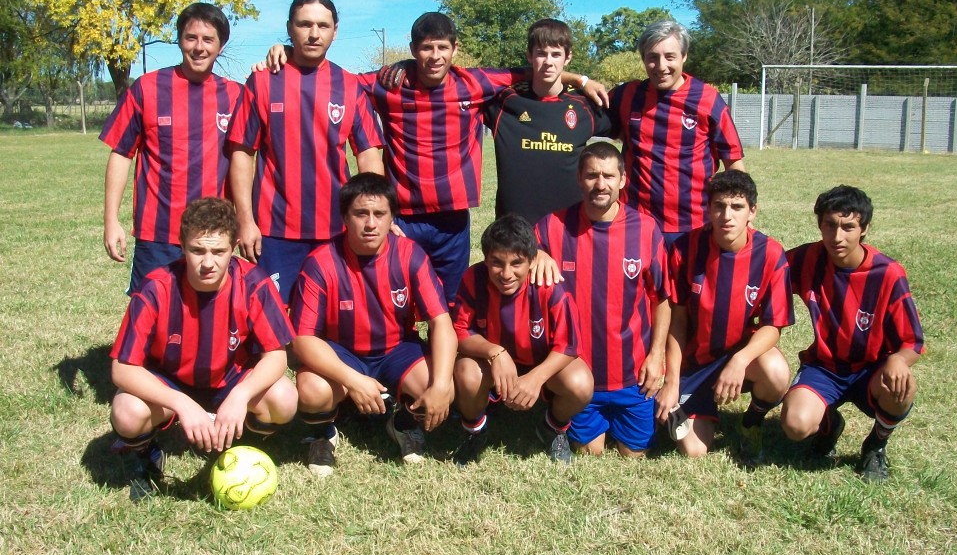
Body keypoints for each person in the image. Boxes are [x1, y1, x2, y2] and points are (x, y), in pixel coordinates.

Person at [263, 11, 604, 301]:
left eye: (443, 47)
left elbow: (536, 68)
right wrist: (287, 52)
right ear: (414, 50)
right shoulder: (390, 83)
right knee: (392, 294)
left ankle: (450, 361)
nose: (435, 56)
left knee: (453, 299)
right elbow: (335, 79)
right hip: (404, 218)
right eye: (426, 48)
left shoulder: (474, 83)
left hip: (452, 219)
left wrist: (580, 79)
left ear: (455, 49)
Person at [108, 197, 297, 500]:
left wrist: (240, 396)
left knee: (284, 399)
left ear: (234, 246)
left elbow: (276, 356)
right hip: (171, 381)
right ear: (181, 246)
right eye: (197, 250)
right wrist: (181, 403)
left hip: (229, 380)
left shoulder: (254, 283)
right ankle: (147, 457)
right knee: (127, 412)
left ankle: (242, 444)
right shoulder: (156, 287)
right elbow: (122, 368)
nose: (208, 262)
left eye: (218, 251)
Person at [289, 173, 456, 474]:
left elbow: (441, 322)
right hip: (343, 351)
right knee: (312, 390)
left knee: (442, 383)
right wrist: (354, 381)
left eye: (379, 214)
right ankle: (324, 433)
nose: (370, 224)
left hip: (396, 349)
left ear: (392, 217)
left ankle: (402, 423)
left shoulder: (411, 255)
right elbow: (302, 339)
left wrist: (442, 384)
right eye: (360, 214)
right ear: (344, 217)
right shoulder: (321, 262)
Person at [227, 0, 385, 300]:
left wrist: (374, 215)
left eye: (323, 26)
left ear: (335, 31)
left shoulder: (349, 85)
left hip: (338, 228)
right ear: (289, 28)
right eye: (305, 24)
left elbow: (368, 155)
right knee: (273, 323)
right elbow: (242, 153)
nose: (314, 34)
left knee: (334, 319)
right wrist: (245, 221)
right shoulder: (262, 81)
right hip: (275, 230)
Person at [780, 186, 924, 483]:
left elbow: (912, 341)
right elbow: (766, 268)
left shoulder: (888, 273)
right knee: (795, 425)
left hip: (871, 369)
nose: (837, 236)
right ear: (819, 224)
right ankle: (829, 424)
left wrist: (899, 360)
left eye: (848, 227)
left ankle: (876, 445)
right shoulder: (808, 258)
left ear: (864, 229)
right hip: (824, 366)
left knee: (903, 386)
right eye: (829, 225)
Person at [535, 142, 670, 456]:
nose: (600, 184)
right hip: (581, 375)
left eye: (609, 176)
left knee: (633, 456)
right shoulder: (553, 225)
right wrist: (536, 254)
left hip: (632, 375)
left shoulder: (646, 229)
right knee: (590, 453)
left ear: (622, 180)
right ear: (579, 177)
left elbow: (661, 298)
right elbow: (520, 250)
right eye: (592, 175)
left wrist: (656, 356)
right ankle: (553, 418)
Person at [100, 3, 242, 294]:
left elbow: (248, 159)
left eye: (208, 40)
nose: (199, 47)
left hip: (213, 236)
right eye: (191, 38)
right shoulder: (147, 88)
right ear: (180, 40)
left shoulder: (236, 95)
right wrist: (111, 220)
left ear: (221, 45)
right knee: (151, 313)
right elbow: (121, 153)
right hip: (158, 233)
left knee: (207, 316)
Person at [659, 170, 793, 465]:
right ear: (708, 209)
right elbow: (677, 321)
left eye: (736, 207)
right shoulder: (686, 249)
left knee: (777, 372)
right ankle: (672, 403)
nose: (726, 216)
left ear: (752, 212)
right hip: (695, 362)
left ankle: (751, 423)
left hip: (736, 356)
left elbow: (773, 325)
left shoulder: (770, 254)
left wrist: (740, 360)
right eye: (719, 206)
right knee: (694, 450)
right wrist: (671, 379)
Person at [450, 213, 593, 465]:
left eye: (516, 263)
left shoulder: (547, 284)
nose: (506, 273)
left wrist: (536, 378)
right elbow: (459, 331)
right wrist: (495, 352)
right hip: (492, 363)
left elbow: (569, 345)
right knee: (466, 372)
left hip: (539, 362)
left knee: (580, 383)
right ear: (485, 258)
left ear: (531, 261)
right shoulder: (473, 279)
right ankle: (474, 430)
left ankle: (553, 427)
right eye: (497, 262)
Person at [608, 19, 745, 250]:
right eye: (652, 57)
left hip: (696, 224)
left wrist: (738, 217)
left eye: (670, 57)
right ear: (643, 59)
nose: (661, 66)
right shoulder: (627, 95)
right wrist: (578, 79)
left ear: (684, 56)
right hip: (637, 222)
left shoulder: (708, 99)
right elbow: (575, 103)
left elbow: (735, 165)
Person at [486, 18, 615, 224]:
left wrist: (582, 82)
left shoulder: (584, 107)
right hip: (515, 232)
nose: (548, 61)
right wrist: (578, 78)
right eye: (541, 53)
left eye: (556, 54)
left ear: (567, 57)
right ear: (529, 55)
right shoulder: (503, 103)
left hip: (568, 230)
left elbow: (626, 130)